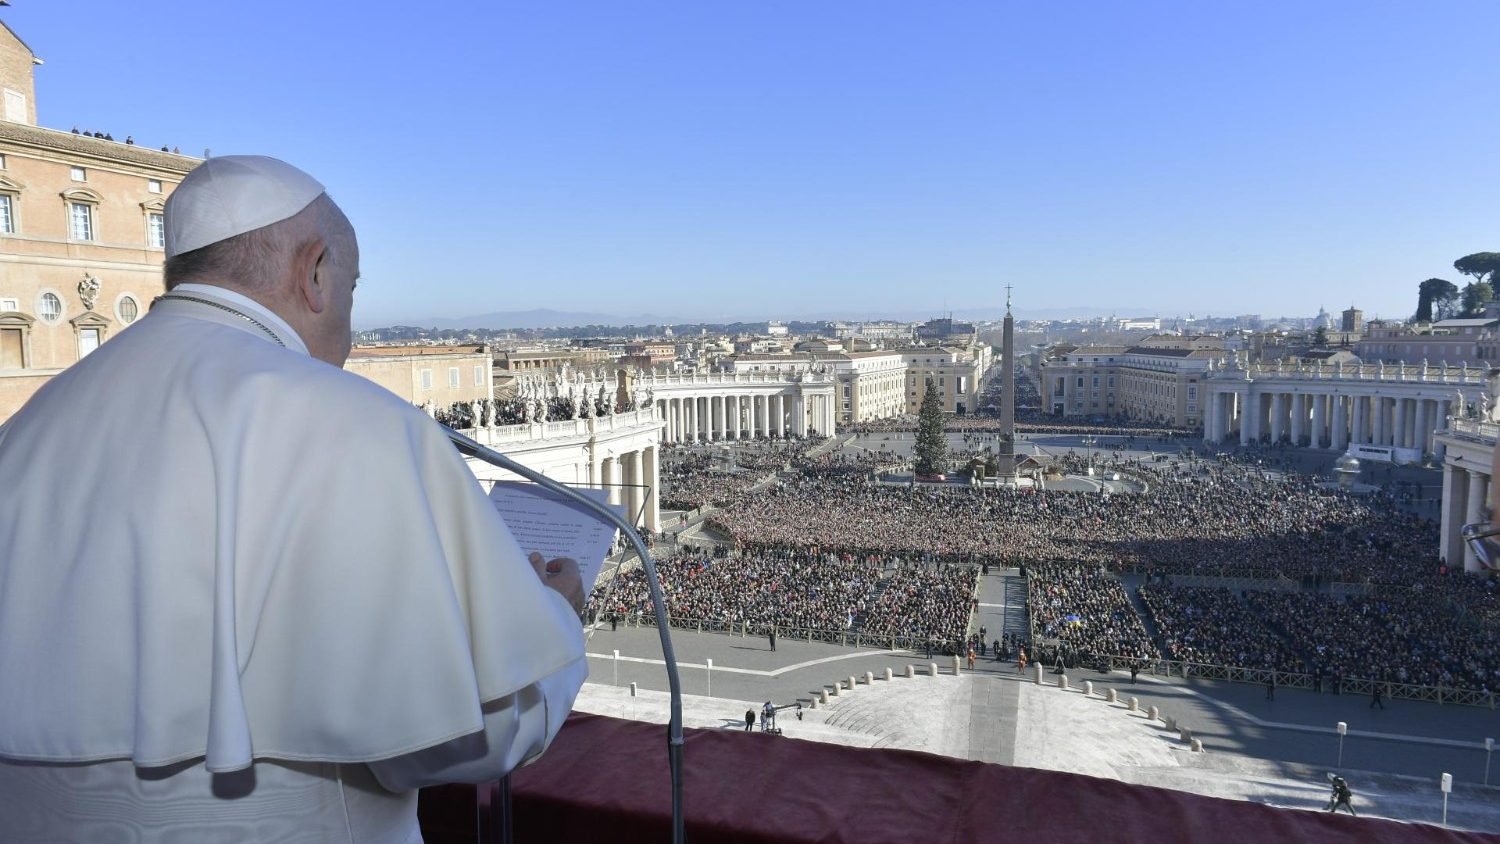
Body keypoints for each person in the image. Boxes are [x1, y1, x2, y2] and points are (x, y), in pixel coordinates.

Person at [0, 156, 589, 841]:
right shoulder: (359, 426)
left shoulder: (24, 432)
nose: (351, 322)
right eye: (351, 287)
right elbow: (467, 733)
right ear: (313, 273)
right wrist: (555, 617)